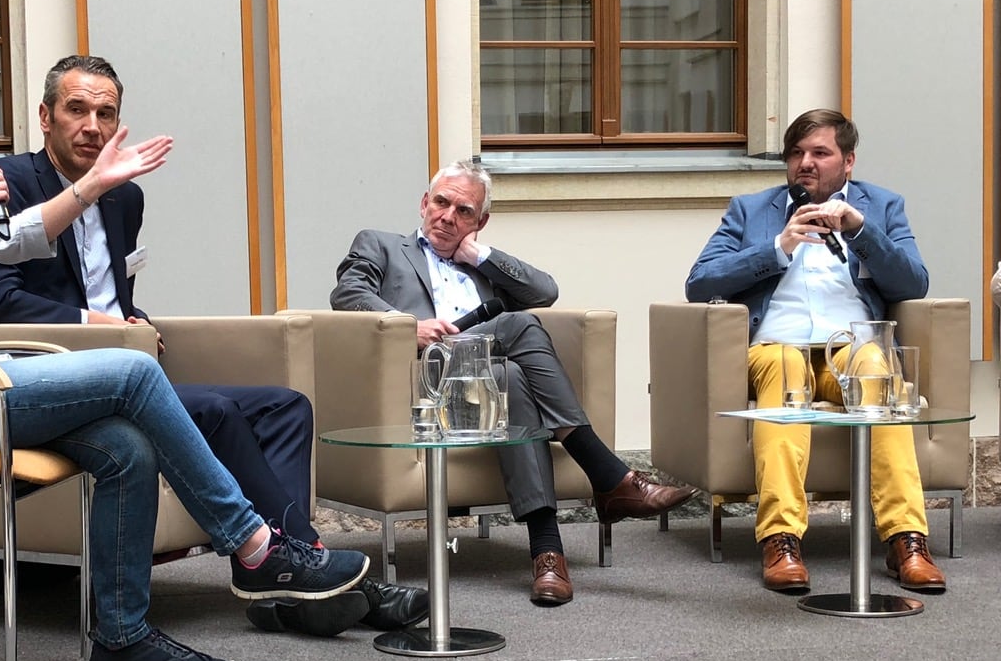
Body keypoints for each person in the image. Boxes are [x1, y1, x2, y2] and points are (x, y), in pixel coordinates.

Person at [0, 23, 371, 661]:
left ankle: (122, 641)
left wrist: (92, 186)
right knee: (131, 370)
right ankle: (255, 548)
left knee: (125, 446)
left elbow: (13, 243)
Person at [0, 54, 428, 638]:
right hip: (54, 377)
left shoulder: (123, 197)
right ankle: (308, 576)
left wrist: (133, 320)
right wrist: (95, 323)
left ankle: (288, 573)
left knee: (286, 406)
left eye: (105, 113)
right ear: (46, 116)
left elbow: (113, 288)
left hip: (129, 367)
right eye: (76, 109)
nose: (92, 126)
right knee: (215, 410)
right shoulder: (9, 183)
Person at [331, 159, 697, 605]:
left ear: (480, 222)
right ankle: (608, 474)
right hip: (425, 377)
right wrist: (410, 327)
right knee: (520, 325)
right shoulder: (381, 245)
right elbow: (348, 293)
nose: (448, 216)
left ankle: (548, 555)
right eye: (441, 203)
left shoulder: (485, 266)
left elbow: (545, 291)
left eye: (464, 211)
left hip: (486, 386)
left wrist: (477, 256)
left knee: (512, 373)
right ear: (424, 203)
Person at [685, 108, 945, 594]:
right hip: (775, 346)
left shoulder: (882, 207)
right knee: (785, 368)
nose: (806, 162)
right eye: (797, 153)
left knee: (877, 368)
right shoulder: (751, 210)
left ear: (848, 161)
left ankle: (906, 539)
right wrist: (777, 249)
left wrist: (860, 232)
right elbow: (699, 283)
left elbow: (914, 281)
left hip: (849, 346)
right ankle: (780, 540)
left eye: (820, 153)